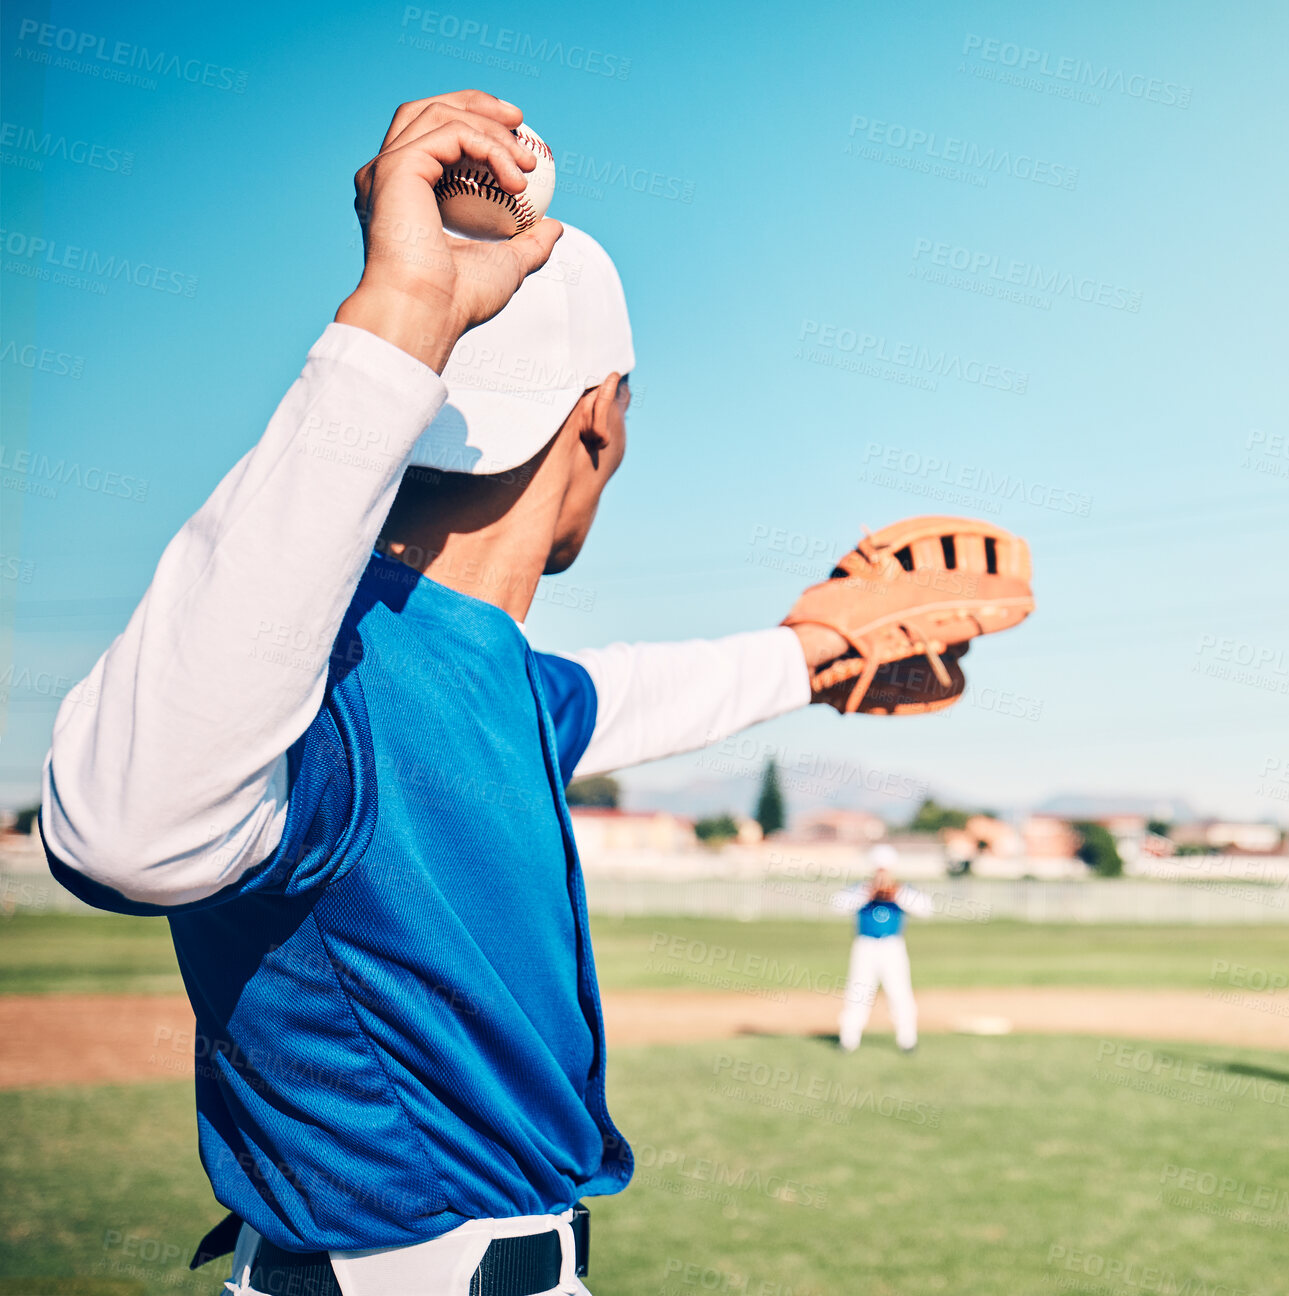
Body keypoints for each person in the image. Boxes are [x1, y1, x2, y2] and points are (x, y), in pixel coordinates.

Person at [38, 91, 850, 1296]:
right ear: (598, 422)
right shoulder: (318, 665)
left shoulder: (480, 668)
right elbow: (123, 836)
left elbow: (632, 695)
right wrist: (402, 314)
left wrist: (819, 655)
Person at [833, 845, 933, 1052]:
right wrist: (868, 892)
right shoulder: (861, 888)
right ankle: (849, 1040)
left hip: (892, 946)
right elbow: (838, 905)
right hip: (865, 945)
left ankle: (907, 1039)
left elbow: (925, 909)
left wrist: (897, 893)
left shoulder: (902, 890)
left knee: (899, 991)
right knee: (858, 991)